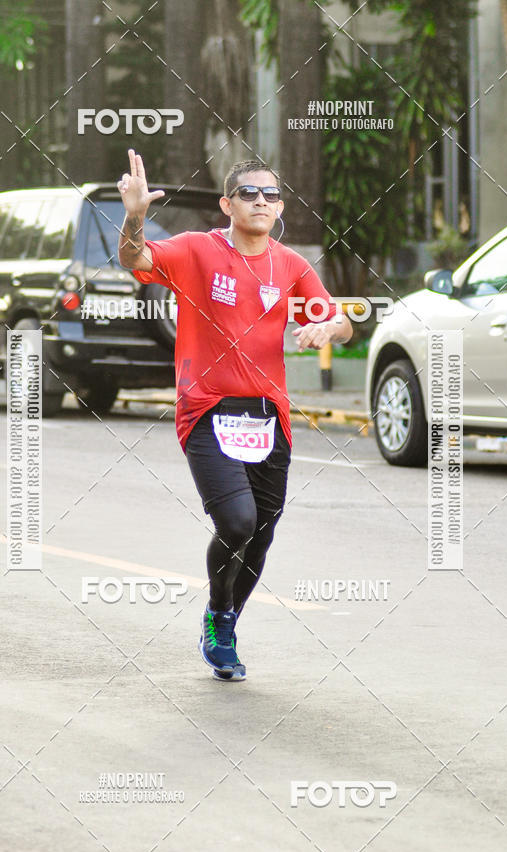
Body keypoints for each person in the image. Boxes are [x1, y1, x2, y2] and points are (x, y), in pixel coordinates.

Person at [117, 149, 352, 681]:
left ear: (281, 205)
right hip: (207, 409)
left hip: (269, 415)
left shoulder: (290, 264)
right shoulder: (197, 250)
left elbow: (341, 321)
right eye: (249, 193)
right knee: (237, 522)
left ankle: (224, 620)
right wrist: (134, 216)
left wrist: (328, 328)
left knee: (262, 534)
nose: (262, 201)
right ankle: (220, 620)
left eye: (271, 194)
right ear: (227, 203)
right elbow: (136, 260)